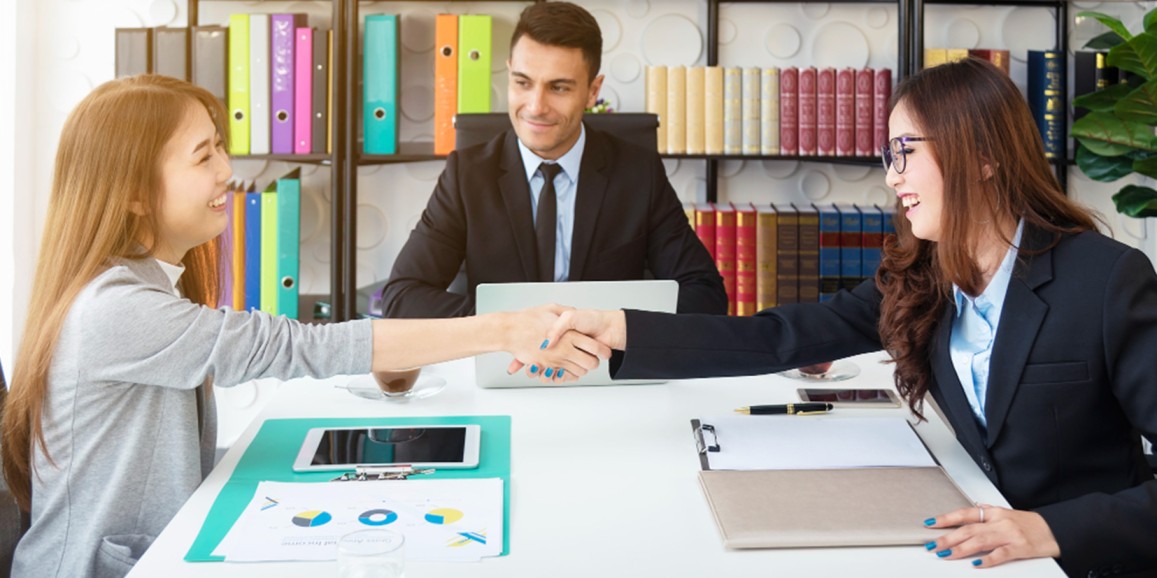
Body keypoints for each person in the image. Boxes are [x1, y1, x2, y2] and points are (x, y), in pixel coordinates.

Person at [543, 58, 1157, 577]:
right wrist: (620, 329)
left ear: (982, 156)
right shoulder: (923, 277)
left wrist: (1050, 529)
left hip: (1077, 562)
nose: (891, 177)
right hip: (967, 552)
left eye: (905, 152)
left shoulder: (1106, 281)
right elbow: (775, 338)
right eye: (889, 155)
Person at [0, 74, 603, 578]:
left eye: (220, 148)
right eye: (203, 156)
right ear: (133, 192)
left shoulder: (145, 283)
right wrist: (502, 330)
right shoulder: (115, 309)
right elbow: (296, 346)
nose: (226, 172)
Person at [379, 1, 727, 319]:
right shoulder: (466, 175)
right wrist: (512, 326)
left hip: (602, 358)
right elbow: (402, 297)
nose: (536, 107)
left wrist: (604, 325)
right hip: (501, 358)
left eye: (559, 88)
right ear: (509, 74)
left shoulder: (639, 174)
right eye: (523, 83)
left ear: (593, 91)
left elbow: (705, 294)